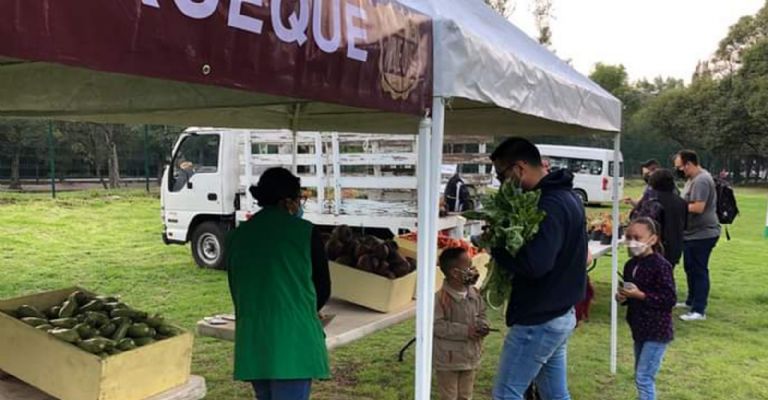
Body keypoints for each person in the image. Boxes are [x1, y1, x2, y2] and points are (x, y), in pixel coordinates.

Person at [488, 138, 587, 400]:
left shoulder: (550, 205)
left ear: (519, 168)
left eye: (502, 175)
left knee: (506, 393)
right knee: (554, 394)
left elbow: (535, 265)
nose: (501, 184)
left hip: (540, 317)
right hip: (560, 312)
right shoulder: (569, 197)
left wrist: (496, 248)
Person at [226, 167, 331, 400]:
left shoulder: (238, 236)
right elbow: (323, 288)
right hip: (293, 339)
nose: (299, 205)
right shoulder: (305, 232)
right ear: (287, 202)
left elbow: (237, 284)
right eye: (298, 199)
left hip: (254, 337)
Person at [616, 217, 677, 400]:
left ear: (653, 239)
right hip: (639, 326)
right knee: (640, 373)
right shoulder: (630, 265)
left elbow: (669, 299)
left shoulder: (661, 266)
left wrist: (640, 295)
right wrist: (623, 297)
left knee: (644, 377)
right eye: (629, 236)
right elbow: (631, 294)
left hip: (656, 329)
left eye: (638, 237)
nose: (632, 241)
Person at [433, 247, 489, 400]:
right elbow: (437, 326)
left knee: (465, 396)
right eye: (468, 266)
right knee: (449, 396)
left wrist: (482, 325)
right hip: (448, 360)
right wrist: (466, 331)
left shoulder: (475, 294)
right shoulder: (439, 299)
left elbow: (482, 313)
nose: (473, 270)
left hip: (470, 357)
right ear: (454, 272)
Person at [674, 150, 720, 322]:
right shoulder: (692, 179)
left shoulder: (701, 180)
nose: (679, 170)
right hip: (691, 233)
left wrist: (676, 207)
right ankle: (690, 301)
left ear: (689, 164)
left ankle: (699, 310)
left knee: (699, 270)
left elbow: (698, 207)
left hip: (703, 234)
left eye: (680, 167)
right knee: (690, 268)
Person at [633, 169, 688, 267]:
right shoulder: (682, 202)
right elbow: (685, 225)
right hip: (674, 247)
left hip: (656, 248)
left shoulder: (653, 202)